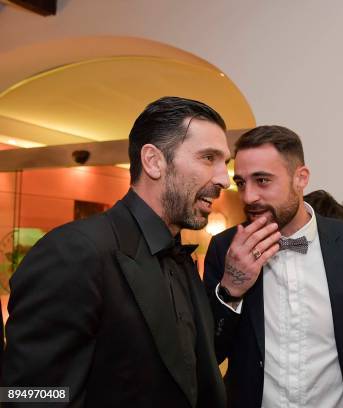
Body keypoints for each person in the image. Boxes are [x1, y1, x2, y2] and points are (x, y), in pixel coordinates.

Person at [2, 96, 231, 407]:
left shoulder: (180, 258)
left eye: (224, 164)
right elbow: (25, 397)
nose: (223, 179)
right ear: (153, 161)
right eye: (208, 158)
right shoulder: (75, 252)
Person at [204, 125, 343, 408]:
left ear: (301, 178)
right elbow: (208, 353)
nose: (248, 196)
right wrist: (231, 290)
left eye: (262, 181)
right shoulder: (226, 248)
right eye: (242, 182)